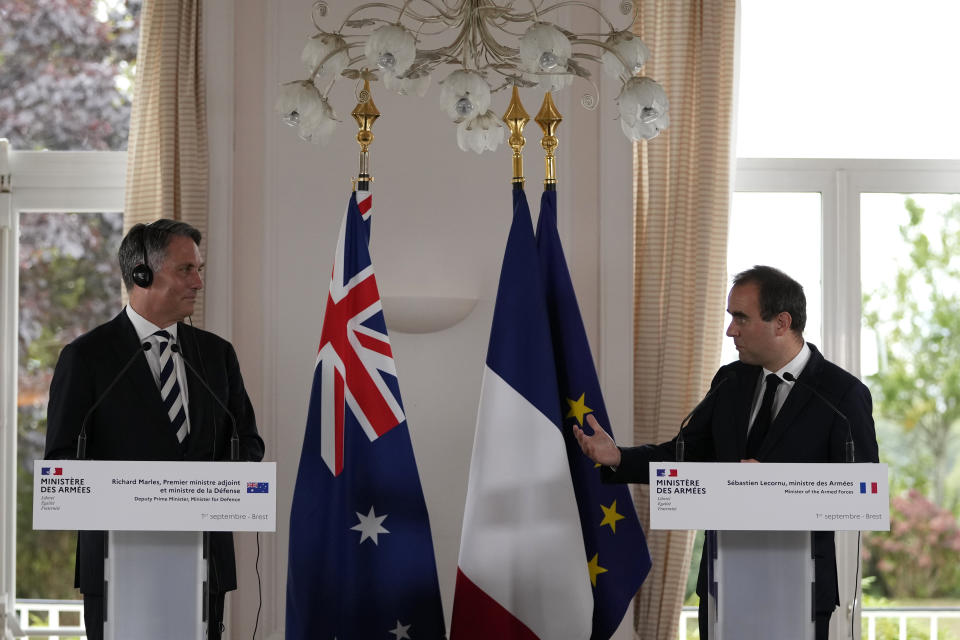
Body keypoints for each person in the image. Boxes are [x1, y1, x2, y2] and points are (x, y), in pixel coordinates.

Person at [573, 265, 879, 640]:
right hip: (724, 581)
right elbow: (686, 455)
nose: (730, 330)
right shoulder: (730, 380)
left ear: (781, 322)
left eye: (741, 318)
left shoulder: (841, 395)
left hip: (800, 587)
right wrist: (619, 457)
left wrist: (775, 486)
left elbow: (861, 492)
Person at [44, 219, 265, 640]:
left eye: (199, 269)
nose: (198, 282)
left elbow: (249, 442)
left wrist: (217, 486)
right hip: (116, 566)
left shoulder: (217, 355)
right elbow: (60, 459)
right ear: (142, 274)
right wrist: (143, 491)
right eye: (186, 269)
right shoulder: (87, 358)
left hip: (205, 564)